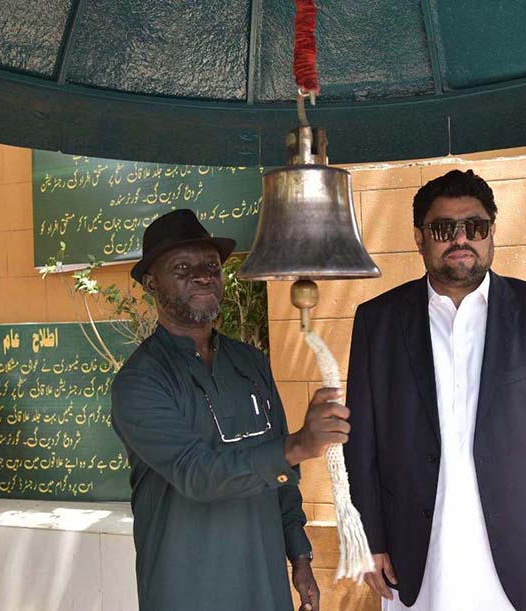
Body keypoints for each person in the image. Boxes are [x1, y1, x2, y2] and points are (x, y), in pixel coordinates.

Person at [343, 170, 526, 611]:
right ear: (419, 237)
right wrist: (365, 538)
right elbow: (360, 443)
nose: (461, 239)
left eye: (476, 227)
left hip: (523, 547)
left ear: (492, 234)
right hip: (418, 551)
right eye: (444, 229)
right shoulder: (378, 322)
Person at [111, 209, 350, 611]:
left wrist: (300, 556)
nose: (204, 276)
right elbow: (198, 474)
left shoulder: (250, 362)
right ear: (151, 283)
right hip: (186, 586)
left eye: (211, 266)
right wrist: (298, 446)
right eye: (183, 267)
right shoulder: (140, 381)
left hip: (264, 585)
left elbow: (283, 480)